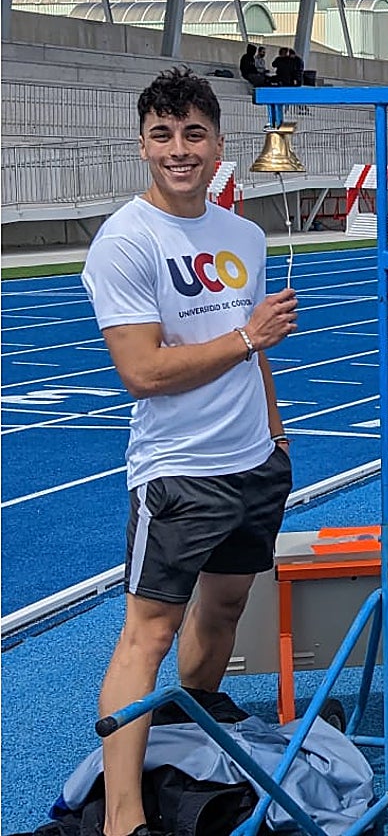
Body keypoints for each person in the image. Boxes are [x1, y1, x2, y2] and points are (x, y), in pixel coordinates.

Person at [81, 67, 299, 836]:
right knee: (150, 632)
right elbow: (142, 373)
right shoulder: (125, 241)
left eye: (194, 135)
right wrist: (246, 337)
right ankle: (123, 815)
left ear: (218, 144)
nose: (180, 150)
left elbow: (257, 349)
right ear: (143, 146)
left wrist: (276, 436)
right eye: (164, 136)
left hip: (253, 466)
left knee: (228, 607)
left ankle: (193, 734)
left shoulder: (242, 234)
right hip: (179, 475)